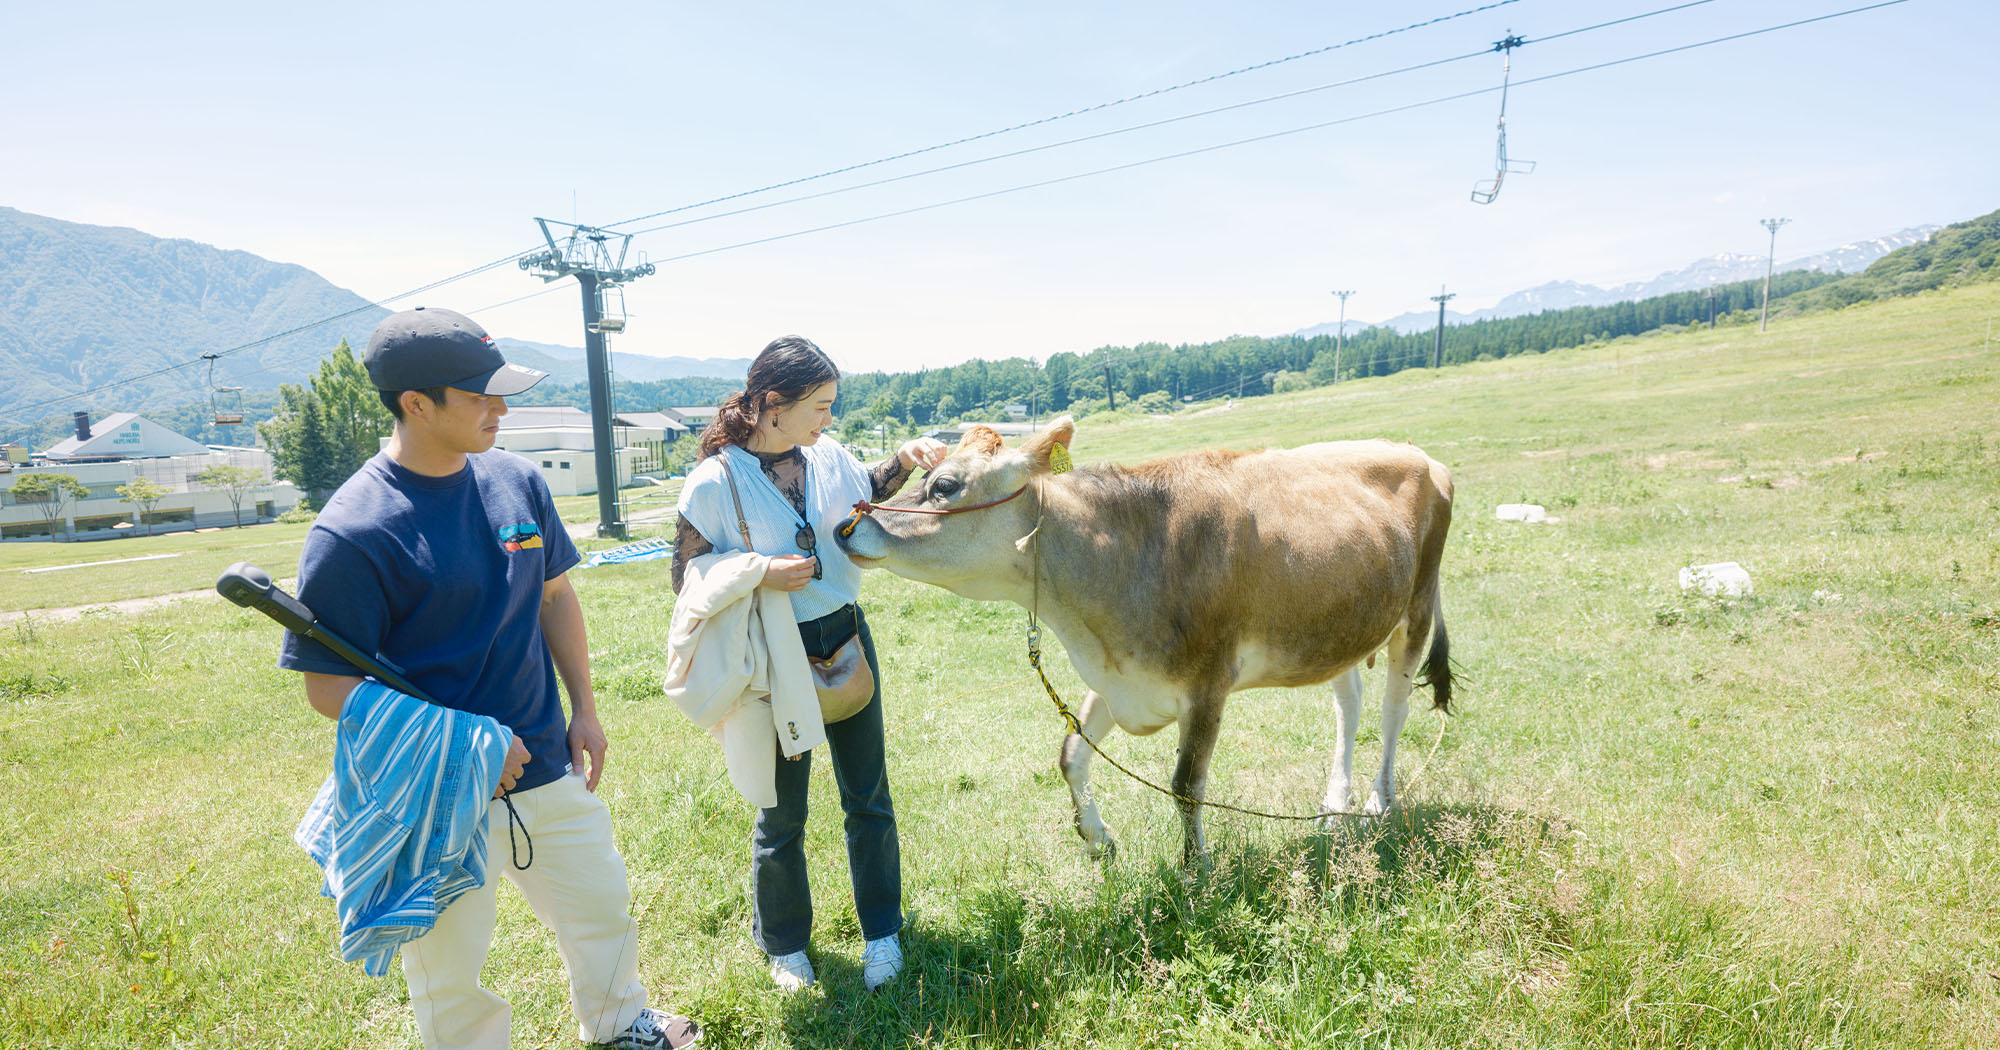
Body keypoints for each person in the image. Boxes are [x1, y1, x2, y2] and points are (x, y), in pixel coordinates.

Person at [278, 306, 701, 1050]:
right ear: (416, 404)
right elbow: (328, 690)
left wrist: (586, 709)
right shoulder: (354, 531)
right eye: (480, 395)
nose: (501, 409)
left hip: (542, 756)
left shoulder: (515, 482)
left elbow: (555, 594)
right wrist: (467, 744)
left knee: (600, 906)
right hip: (434, 788)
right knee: (448, 968)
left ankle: (620, 1024)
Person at [671, 335, 945, 993]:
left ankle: (883, 932)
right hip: (774, 655)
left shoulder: (826, 455)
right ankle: (786, 947)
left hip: (845, 636)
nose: (828, 418)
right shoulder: (715, 480)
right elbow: (684, 574)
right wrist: (758, 571)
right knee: (780, 812)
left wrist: (903, 461)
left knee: (868, 797)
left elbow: (862, 492)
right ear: (772, 404)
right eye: (819, 405)